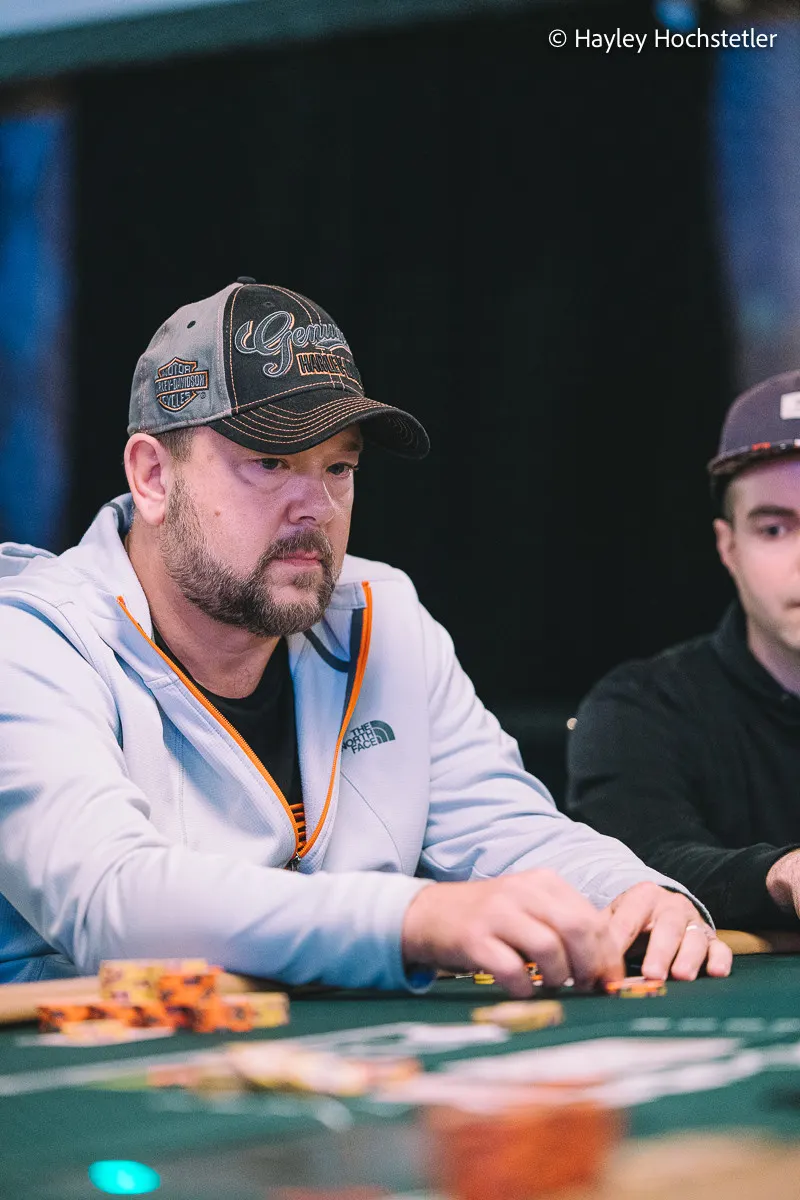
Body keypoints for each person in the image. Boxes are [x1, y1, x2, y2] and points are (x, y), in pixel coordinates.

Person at [0, 278, 729, 994]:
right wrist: (411, 917)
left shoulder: (384, 614)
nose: (316, 505)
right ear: (154, 477)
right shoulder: (31, 640)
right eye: (270, 462)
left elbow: (507, 829)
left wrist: (631, 892)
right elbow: (112, 902)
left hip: (330, 1060)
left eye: (339, 466)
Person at [566, 369, 800, 932]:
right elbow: (631, 862)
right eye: (774, 529)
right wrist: (779, 874)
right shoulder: (641, 707)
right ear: (728, 546)